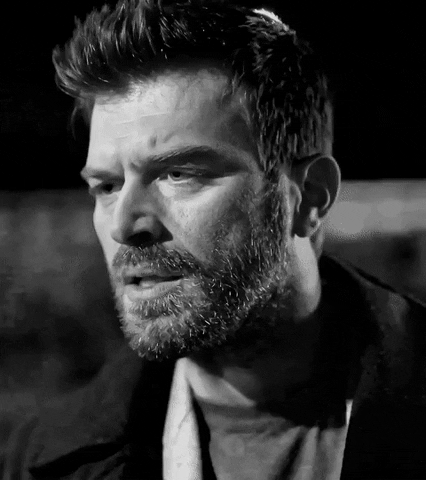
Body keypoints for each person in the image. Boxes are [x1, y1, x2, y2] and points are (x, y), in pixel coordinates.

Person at [2, 1, 426, 479]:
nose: (124, 225)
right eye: (107, 185)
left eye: (179, 174)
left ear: (309, 196)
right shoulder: (40, 458)